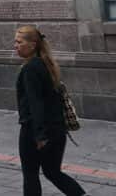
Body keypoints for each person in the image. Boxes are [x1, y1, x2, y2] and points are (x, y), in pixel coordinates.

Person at [14, 26, 86, 196]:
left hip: (35, 131)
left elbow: (35, 103)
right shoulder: (46, 63)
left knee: (31, 175)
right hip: (57, 130)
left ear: (32, 44)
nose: (15, 45)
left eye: (19, 42)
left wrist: (39, 135)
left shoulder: (30, 68)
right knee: (53, 172)